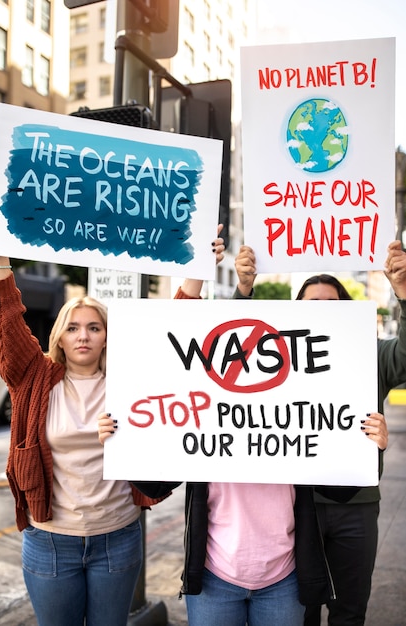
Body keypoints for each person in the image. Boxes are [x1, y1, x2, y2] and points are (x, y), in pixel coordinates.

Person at [99, 229, 306, 626]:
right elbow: (154, 486)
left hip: (284, 578)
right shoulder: (206, 416)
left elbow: (344, 484)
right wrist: (126, 443)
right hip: (215, 578)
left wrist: (371, 446)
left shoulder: (294, 419)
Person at [0, 253, 171, 626]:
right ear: (59, 335)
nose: (83, 335)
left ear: (107, 336)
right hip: (51, 541)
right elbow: (7, 319)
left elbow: (177, 336)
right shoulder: (33, 376)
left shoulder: (132, 378)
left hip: (118, 537)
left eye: (94, 327)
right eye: (72, 328)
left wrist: (197, 273)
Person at [232, 240, 406, 626]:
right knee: (300, 609)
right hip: (295, 505)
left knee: (349, 608)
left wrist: (403, 293)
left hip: (355, 506)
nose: (323, 311)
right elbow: (231, 351)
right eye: (313, 304)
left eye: (332, 304)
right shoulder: (273, 356)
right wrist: (243, 290)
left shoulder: (372, 353)